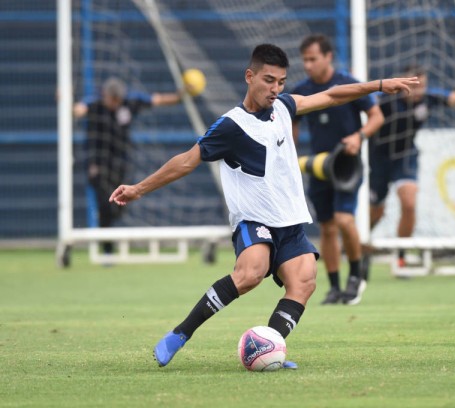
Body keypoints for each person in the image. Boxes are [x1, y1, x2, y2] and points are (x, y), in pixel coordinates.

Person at [109, 44, 419, 368]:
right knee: (251, 273)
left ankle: (269, 347)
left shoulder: (284, 107)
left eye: (281, 82)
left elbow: (333, 95)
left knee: (305, 281)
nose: (275, 89)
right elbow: (187, 161)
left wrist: (380, 85)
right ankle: (180, 333)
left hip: (290, 222)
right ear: (249, 76)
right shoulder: (231, 125)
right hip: (253, 220)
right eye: (269, 80)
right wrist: (138, 189)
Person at [368, 64, 455, 268]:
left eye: (423, 86)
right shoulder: (385, 99)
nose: (419, 91)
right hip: (378, 158)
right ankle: (360, 244)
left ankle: (401, 255)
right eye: (415, 86)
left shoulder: (429, 97)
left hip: (406, 155)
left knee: (409, 203)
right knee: (375, 211)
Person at [291, 34, 384, 306]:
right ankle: (334, 287)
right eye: (304, 60)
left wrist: (359, 137)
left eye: (313, 59)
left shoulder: (348, 84)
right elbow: (290, 120)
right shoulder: (302, 89)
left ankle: (355, 276)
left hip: (346, 166)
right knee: (328, 229)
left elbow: (377, 116)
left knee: (345, 220)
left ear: (328, 57)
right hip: (320, 168)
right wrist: (290, 152)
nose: (308, 65)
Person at [73, 77, 184, 254]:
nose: (115, 104)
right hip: (97, 164)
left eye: (118, 100)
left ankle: (106, 236)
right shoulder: (94, 104)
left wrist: (181, 95)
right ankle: (107, 249)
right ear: (105, 95)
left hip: (120, 162)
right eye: (112, 100)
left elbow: (158, 99)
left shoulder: (129, 102)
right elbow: (78, 110)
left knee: (119, 204)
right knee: (105, 203)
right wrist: (67, 102)